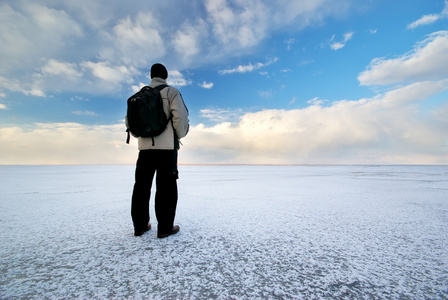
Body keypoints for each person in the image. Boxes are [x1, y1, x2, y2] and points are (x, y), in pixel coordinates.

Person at [130, 63, 189, 238]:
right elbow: (180, 118)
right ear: (166, 76)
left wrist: (143, 137)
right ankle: (165, 228)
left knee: (141, 187)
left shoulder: (139, 95)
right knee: (166, 188)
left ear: (151, 76)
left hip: (145, 149)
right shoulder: (171, 92)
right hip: (167, 149)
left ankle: (140, 226)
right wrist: (177, 136)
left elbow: (130, 121)